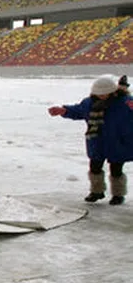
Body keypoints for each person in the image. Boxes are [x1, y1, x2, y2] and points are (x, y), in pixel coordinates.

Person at [48, 74, 133, 205]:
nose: (102, 96)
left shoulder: (125, 102)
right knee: (95, 167)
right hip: (97, 141)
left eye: (105, 94)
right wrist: (63, 111)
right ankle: (97, 191)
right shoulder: (89, 103)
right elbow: (78, 111)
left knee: (116, 169)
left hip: (118, 141)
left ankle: (118, 194)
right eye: (100, 94)